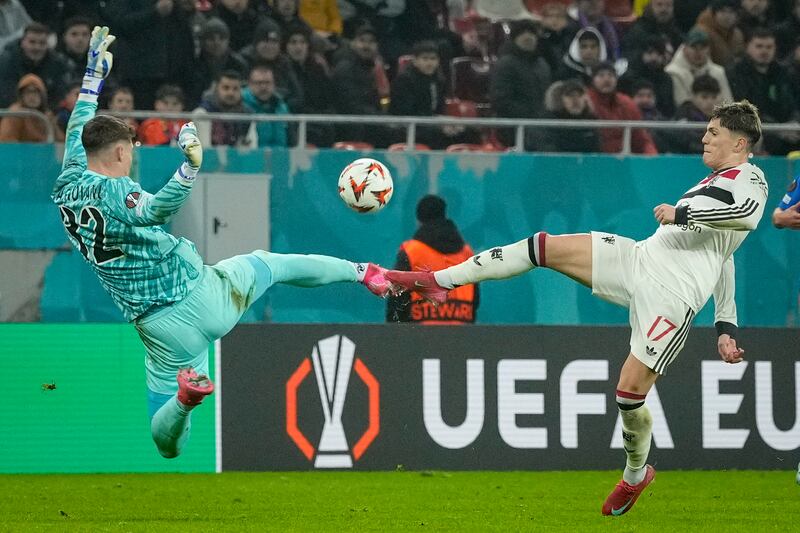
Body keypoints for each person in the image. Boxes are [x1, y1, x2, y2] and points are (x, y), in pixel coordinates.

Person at [386, 99, 767, 516]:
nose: (704, 137)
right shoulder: (712, 181)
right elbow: (723, 250)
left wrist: (682, 213)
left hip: (672, 297)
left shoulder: (751, 180)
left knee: (628, 394)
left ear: (740, 142)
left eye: (713, 131)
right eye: (707, 129)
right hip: (639, 258)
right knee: (541, 247)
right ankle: (439, 281)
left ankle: (636, 474)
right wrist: (726, 324)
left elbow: (743, 220)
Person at [52, 26, 393, 459]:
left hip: (159, 329)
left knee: (169, 444)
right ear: (121, 153)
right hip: (203, 293)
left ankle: (184, 399)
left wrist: (91, 81)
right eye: (131, 149)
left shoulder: (68, 185)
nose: (133, 156)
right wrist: (189, 169)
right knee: (273, 265)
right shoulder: (117, 190)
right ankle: (362, 272)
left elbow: (78, 128)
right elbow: (154, 210)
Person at [386, 195, 478, 324]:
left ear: (419, 219)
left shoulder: (412, 251)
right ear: (444, 214)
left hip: (420, 337)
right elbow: (475, 300)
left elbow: (397, 300)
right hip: (461, 335)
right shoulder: (467, 253)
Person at [586, 62, 658, 155]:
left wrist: (653, 157)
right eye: (601, 76)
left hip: (623, 160)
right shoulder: (586, 102)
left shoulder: (627, 104)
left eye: (611, 75)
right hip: (593, 159)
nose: (606, 80)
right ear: (593, 80)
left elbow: (641, 138)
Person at [665, 29, 732, 108]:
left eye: (703, 47)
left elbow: (728, 104)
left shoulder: (718, 72)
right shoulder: (673, 72)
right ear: (684, 48)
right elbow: (682, 104)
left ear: (709, 49)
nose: (698, 52)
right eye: (694, 47)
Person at [0, 73, 63, 142]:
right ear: (21, 95)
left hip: (44, 151)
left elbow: (60, 142)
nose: (32, 96)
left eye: (35, 92)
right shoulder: (15, 114)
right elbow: (7, 142)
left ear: (42, 95)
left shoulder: (47, 116)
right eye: (28, 92)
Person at [241, 64, 290, 148]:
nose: (263, 87)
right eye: (258, 83)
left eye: (267, 83)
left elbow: (291, 138)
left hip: (281, 157)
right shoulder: (240, 106)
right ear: (249, 84)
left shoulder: (282, 107)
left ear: (274, 84)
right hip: (252, 158)